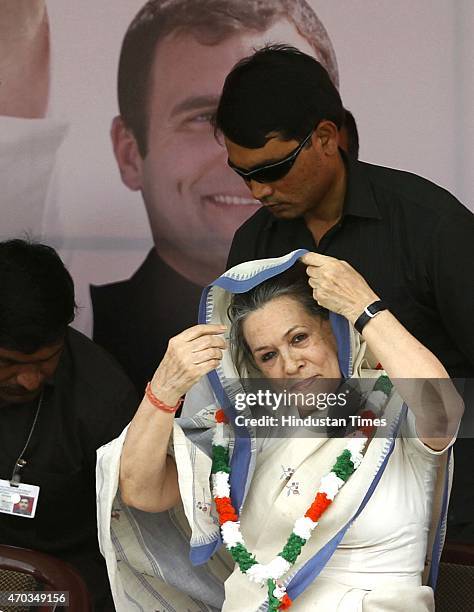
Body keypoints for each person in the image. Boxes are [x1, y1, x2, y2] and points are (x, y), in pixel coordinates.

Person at [96, 250, 462, 611]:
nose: (290, 363)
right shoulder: (252, 428)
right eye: (267, 355)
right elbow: (143, 491)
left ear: (336, 332)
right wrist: (163, 390)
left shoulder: (396, 409)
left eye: (300, 338)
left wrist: (362, 306)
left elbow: (446, 412)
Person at [217, 44, 474, 540]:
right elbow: (251, 388)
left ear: (326, 138)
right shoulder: (253, 244)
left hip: (444, 504)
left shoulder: (431, 226)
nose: (257, 191)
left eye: (271, 170)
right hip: (308, 511)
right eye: (242, 174)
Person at [90, 0, 341, 394]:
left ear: (331, 137)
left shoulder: (416, 244)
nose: (245, 155)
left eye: (276, 121)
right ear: (128, 151)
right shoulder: (84, 340)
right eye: (207, 118)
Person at [0, 239, 139, 611]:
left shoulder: (105, 400)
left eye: (46, 360)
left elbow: (133, 540)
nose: (28, 380)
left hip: (61, 583)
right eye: (9, 362)